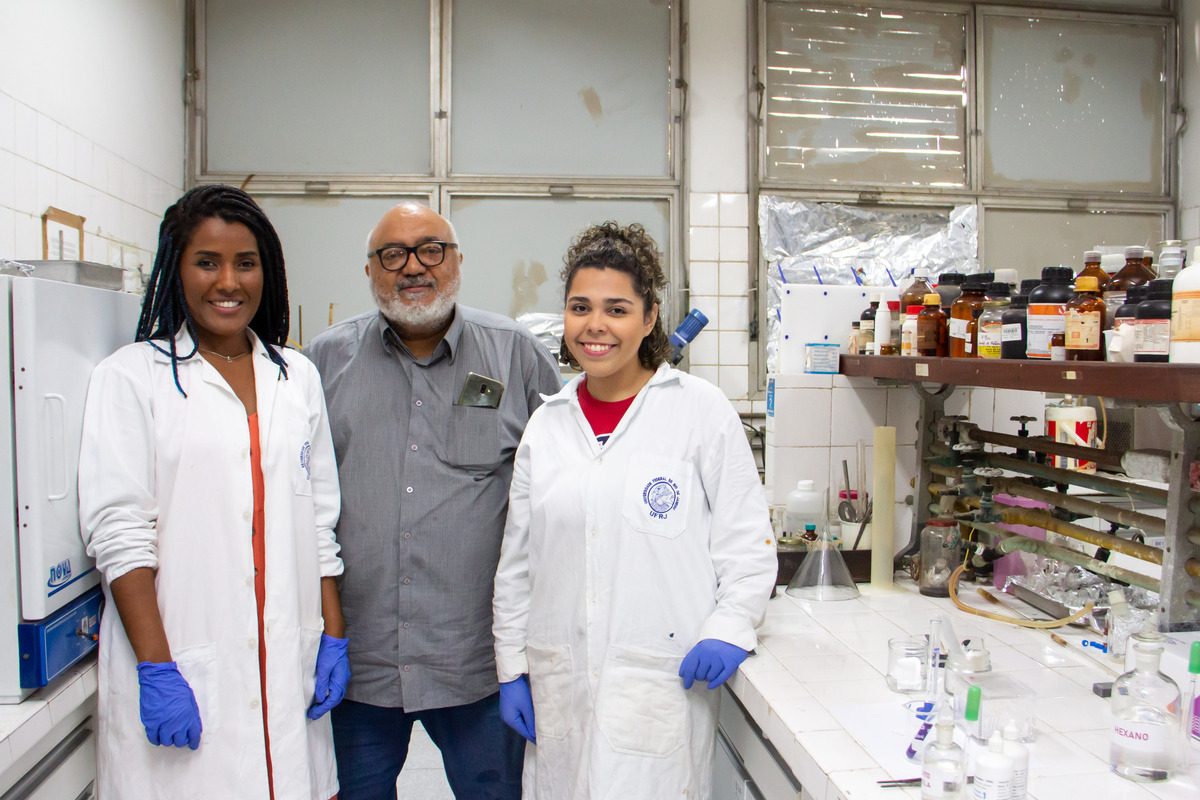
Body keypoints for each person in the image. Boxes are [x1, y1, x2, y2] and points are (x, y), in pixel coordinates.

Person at [78, 185, 349, 800]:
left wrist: (331, 635)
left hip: (289, 661)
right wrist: (155, 668)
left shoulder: (296, 377)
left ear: (268, 272)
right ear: (175, 268)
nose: (228, 281)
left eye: (245, 263)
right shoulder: (132, 378)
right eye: (207, 262)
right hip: (184, 660)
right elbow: (120, 535)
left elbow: (319, 523)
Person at [492, 222, 777, 799]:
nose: (595, 326)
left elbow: (747, 543)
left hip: (657, 687)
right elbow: (518, 564)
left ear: (649, 319)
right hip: (559, 685)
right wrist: (511, 667)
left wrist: (730, 626)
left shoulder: (699, 412)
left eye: (616, 309)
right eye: (580, 307)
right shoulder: (546, 425)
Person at [303, 202, 562, 799]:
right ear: (370, 270)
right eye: (392, 254)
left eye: (431, 249)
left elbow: (565, 486)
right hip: (357, 663)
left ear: (458, 262)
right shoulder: (321, 364)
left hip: (477, 665)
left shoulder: (516, 356)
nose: (413, 267)